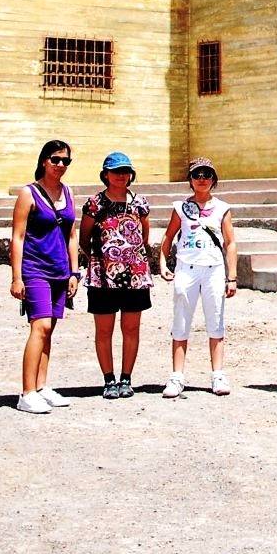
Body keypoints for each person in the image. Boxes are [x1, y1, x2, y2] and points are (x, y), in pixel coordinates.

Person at [10, 139, 79, 414]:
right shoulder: (29, 193)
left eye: (65, 161)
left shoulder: (69, 192)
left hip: (60, 270)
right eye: (55, 159)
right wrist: (17, 277)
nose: (60, 165)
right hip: (35, 268)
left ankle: (41, 386)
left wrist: (74, 271)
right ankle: (26, 392)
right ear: (43, 161)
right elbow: (17, 237)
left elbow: (72, 235)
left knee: (50, 329)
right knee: (40, 327)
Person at [158, 157, 237, 398]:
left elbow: (230, 242)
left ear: (213, 179)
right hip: (186, 267)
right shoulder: (180, 207)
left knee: (215, 319)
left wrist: (231, 276)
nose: (201, 179)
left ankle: (217, 374)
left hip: (213, 269)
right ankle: (177, 376)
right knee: (181, 321)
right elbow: (169, 237)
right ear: (190, 180)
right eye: (197, 175)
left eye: (206, 174)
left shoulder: (222, 208)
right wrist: (163, 262)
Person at [78, 150, 152, 399]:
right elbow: (84, 237)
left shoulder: (140, 203)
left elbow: (144, 236)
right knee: (104, 329)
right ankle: (108, 379)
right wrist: (98, 261)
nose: (121, 176)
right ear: (106, 175)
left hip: (135, 275)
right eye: (116, 171)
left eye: (125, 171)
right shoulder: (95, 204)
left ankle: (126, 378)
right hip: (103, 275)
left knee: (131, 328)